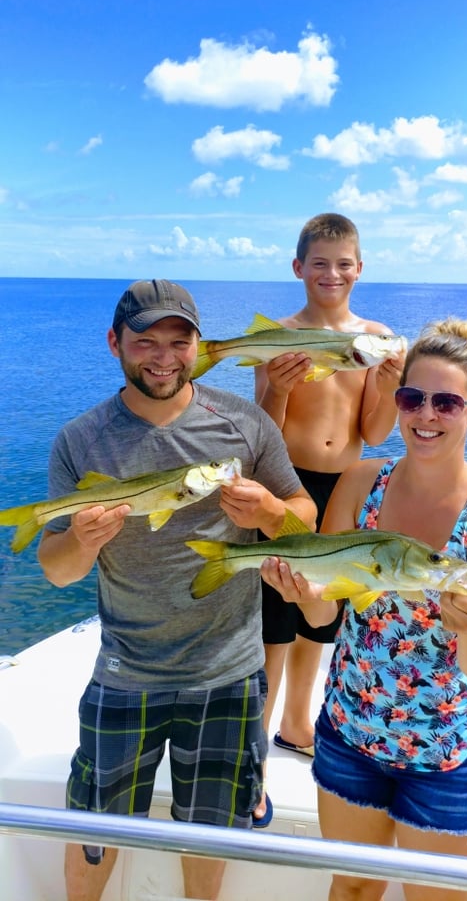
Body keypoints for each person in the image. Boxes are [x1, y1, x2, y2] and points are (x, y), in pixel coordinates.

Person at [37, 279, 316, 901]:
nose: (163, 356)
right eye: (145, 342)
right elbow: (57, 570)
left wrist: (271, 510)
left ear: (197, 346)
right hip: (125, 671)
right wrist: (82, 541)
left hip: (229, 674)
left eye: (179, 340)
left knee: (212, 835)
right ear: (115, 344)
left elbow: (303, 518)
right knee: (93, 832)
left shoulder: (244, 424)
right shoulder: (80, 441)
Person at [261, 316, 467, 901]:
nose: (425, 415)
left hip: (448, 753)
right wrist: (304, 594)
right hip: (351, 734)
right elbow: (324, 619)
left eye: (446, 402)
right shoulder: (360, 485)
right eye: (412, 397)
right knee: (353, 888)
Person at [254, 213, 405, 783]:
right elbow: (265, 427)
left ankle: (296, 723)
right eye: (320, 263)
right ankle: (256, 749)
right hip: (286, 484)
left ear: (360, 269)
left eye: (343, 264)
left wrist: (389, 384)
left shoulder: (375, 337)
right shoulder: (280, 335)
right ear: (299, 268)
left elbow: (375, 432)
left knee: (322, 612)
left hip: (343, 487)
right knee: (276, 614)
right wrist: (281, 386)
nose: (332, 273)